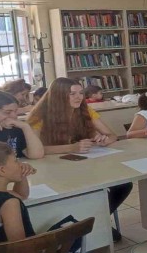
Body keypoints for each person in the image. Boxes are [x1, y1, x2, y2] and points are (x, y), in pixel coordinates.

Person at [28, 77, 131, 241]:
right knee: (79, 189)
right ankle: (88, 223)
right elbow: (34, 151)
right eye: (72, 94)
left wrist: (105, 139)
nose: (78, 97)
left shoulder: (85, 110)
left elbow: (112, 135)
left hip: (83, 164)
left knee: (123, 184)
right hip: (52, 169)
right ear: (58, 96)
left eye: (81, 93)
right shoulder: (39, 116)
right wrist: (71, 148)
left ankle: (97, 219)